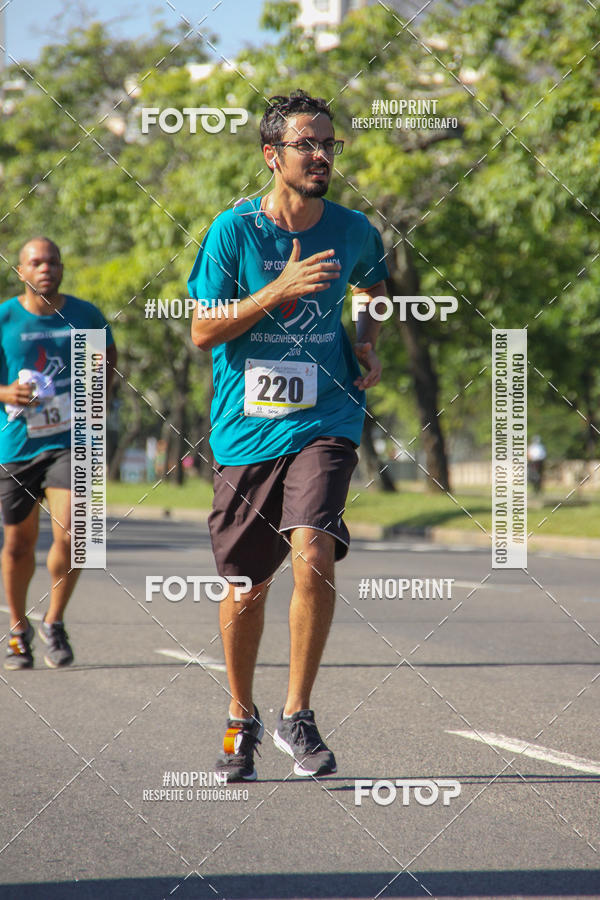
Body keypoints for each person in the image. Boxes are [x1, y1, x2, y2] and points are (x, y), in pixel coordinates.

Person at [188, 90, 389, 781]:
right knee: (245, 586)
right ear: (273, 156)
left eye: (330, 144)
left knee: (314, 550)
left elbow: (372, 284)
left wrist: (365, 339)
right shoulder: (233, 232)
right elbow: (203, 329)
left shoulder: (352, 228)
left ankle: (297, 714)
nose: (323, 155)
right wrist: (278, 290)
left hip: (325, 419)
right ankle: (240, 716)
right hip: (245, 432)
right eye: (308, 144)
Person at [0, 237, 117, 669]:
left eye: (52, 261)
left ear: (62, 268)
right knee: (17, 545)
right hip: (17, 443)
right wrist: (6, 391)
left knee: (75, 536)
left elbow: (109, 365)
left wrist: (97, 396)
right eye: (36, 262)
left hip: (74, 440)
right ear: (21, 271)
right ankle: (17, 628)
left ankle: (54, 620)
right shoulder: (5, 319)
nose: (45, 268)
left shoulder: (85, 315)